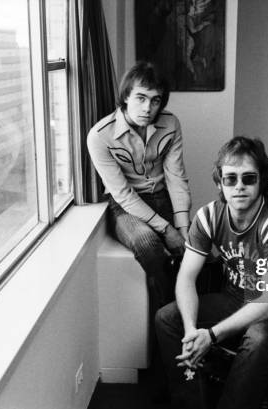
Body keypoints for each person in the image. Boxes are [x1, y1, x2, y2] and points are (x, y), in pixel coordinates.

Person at [155, 136, 268, 409]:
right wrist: (191, 333)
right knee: (167, 319)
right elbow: (186, 277)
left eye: (249, 178)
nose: (240, 187)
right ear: (219, 183)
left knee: (258, 339)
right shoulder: (209, 215)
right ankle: (191, 401)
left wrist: (210, 336)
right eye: (230, 179)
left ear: (261, 182)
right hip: (234, 298)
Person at [87, 62, 191, 386]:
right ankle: (169, 325)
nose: (149, 108)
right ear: (125, 97)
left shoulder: (171, 125)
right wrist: (167, 231)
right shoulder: (100, 136)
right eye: (141, 98)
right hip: (126, 208)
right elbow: (123, 194)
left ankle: (184, 326)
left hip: (163, 198)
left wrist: (184, 230)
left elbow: (176, 179)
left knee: (196, 249)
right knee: (149, 245)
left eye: (156, 100)